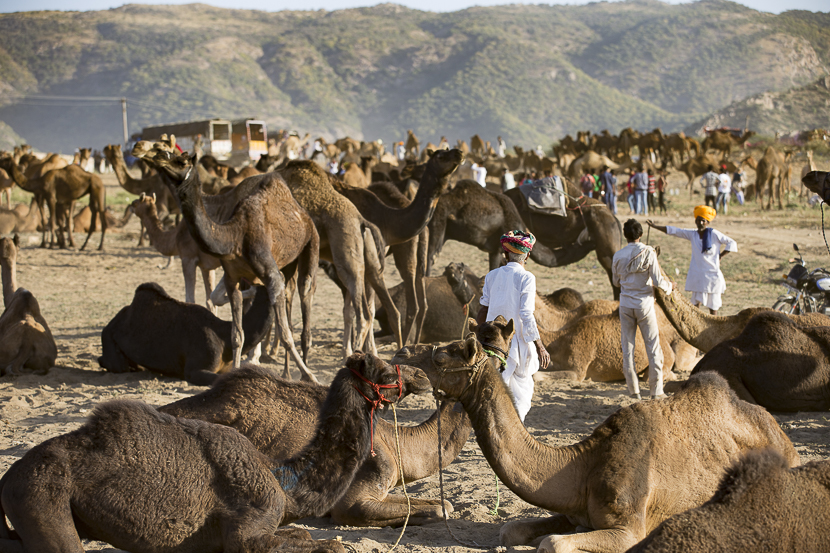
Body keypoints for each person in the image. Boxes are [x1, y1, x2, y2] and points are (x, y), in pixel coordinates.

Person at [476, 230, 550, 421]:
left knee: (494, 390)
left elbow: (483, 310)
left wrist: (479, 338)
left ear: (505, 254)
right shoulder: (527, 278)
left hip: (492, 343)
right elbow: (526, 314)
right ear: (528, 256)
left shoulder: (491, 276)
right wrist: (540, 346)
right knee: (521, 394)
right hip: (515, 344)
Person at [612, 219, 674, 400]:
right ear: (640, 235)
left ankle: (634, 392)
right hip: (645, 305)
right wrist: (670, 286)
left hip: (625, 305)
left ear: (625, 235)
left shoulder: (618, 255)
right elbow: (657, 280)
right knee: (653, 347)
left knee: (628, 348)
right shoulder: (649, 252)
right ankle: (656, 391)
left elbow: (616, 282)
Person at [647, 206, 737, 314]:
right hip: (698, 275)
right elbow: (675, 231)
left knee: (713, 307)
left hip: (712, 275)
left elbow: (732, 243)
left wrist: (721, 255)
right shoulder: (693, 234)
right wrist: (655, 226)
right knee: (695, 307)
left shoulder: (714, 234)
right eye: (698, 220)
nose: (700, 223)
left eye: (703, 221)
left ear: (707, 222)